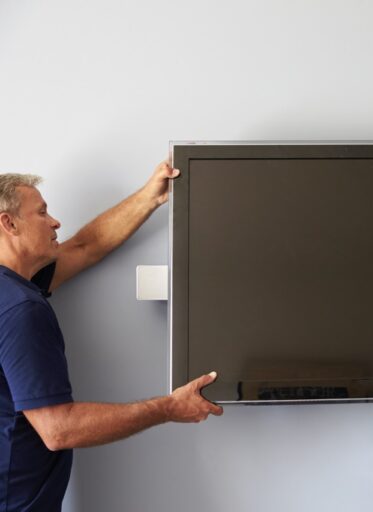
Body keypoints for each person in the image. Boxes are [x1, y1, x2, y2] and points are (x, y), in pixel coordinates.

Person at [0, 161, 223, 512]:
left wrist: (150, 196)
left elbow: (85, 247)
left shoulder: (11, 291)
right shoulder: (20, 309)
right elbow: (58, 430)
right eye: (42, 212)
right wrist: (168, 407)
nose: (55, 221)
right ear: (8, 223)